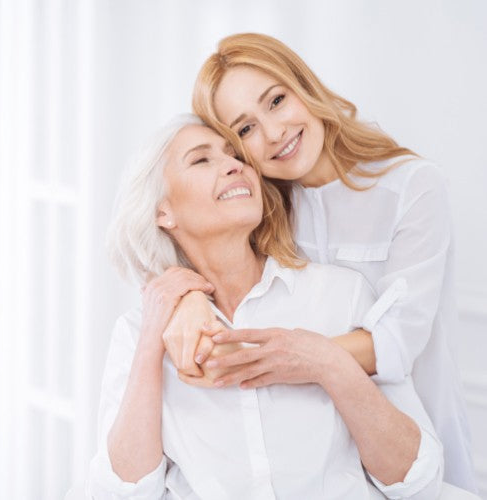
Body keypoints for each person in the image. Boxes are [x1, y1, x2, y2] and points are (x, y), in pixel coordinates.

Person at [161, 32, 476, 493]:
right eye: (245, 129)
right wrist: (187, 294)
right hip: (322, 450)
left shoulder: (412, 188)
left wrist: (283, 357)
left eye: (276, 101)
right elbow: (191, 244)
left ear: (302, 85)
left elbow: (395, 344)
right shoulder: (264, 212)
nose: (273, 133)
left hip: (413, 438)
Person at [87, 115, 444, 499]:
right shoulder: (139, 330)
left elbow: (418, 481)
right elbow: (119, 493)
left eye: (234, 155)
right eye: (201, 160)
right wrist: (151, 337)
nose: (234, 165)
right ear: (163, 212)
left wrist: (326, 363)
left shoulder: (341, 295)